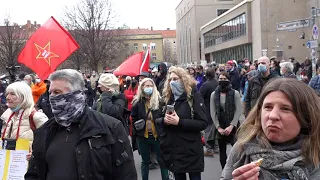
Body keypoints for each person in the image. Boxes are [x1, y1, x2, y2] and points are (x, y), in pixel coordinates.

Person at [25, 69, 137, 180]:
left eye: (57, 92)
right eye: (50, 93)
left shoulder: (110, 128)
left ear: (77, 94)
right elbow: (34, 174)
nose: (52, 97)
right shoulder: (44, 131)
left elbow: (126, 174)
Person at [221, 78, 320, 180]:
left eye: (285, 109)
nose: (272, 116)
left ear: (306, 117)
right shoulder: (242, 147)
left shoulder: (314, 157)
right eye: (268, 107)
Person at [156, 66, 208, 180]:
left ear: (183, 79)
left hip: (191, 150)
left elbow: (203, 123)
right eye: (170, 80)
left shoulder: (194, 96)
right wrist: (164, 121)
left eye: (176, 79)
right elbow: (157, 119)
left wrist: (180, 122)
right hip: (174, 151)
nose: (172, 82)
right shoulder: (168, 98)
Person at [131, 78, 169, 180]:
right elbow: (133, 119)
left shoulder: (159, 101)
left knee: (162, 161)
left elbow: (164, 117)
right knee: (145, 161)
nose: (149, 88)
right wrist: (137, 130)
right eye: (147, 86)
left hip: (158, 137)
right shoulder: (137, 102)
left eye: (151, 86)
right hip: (143, 137)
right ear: (142, 87)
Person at [209, 72, 242, 169]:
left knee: (238, 150)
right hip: (220, 126)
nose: (222, 81)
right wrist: (218, 127)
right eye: (220, 79)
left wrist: (231, 126)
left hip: (233, 126)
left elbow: (238, 110)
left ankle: (237, 169)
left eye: (224, 79)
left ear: (228, 80)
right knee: (222, 152)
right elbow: (213, 112)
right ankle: (225, 171)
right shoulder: (214, 94)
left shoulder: (235, 93)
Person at [199, 67, 219, 157]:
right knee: (216, 129)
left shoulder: (205, 85)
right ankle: (216, 147)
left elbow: (200, 96)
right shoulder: (218, 83)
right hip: (218, 109)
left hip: (208, 109)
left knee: (207, 131)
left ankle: (209, 149)